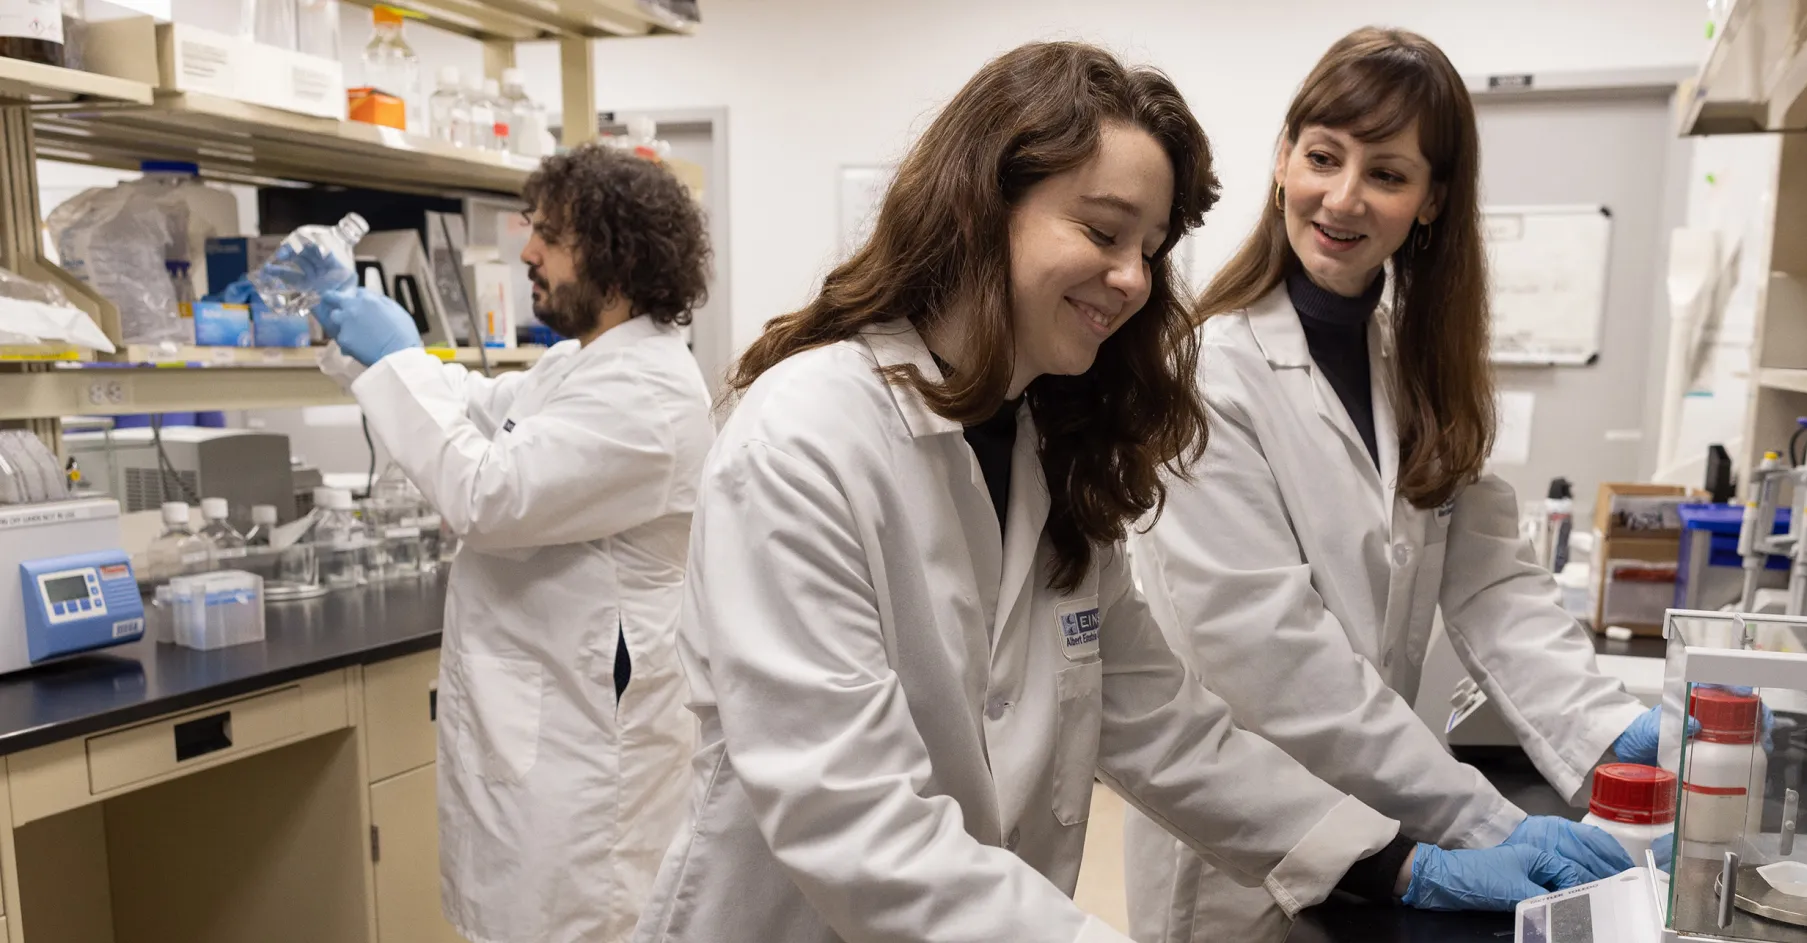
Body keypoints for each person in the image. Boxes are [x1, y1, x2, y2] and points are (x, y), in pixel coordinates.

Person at [633, 41, 1613, 943]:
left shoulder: (1044, 443)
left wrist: (1393, 860)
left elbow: (1166, 727)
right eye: (1104, 231)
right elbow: (854, 821)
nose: (1133, 278)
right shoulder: (806, 437)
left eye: (1150, 246)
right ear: (982, 202)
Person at [1123, 27, 1666, 942]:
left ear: (1431, 200)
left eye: (1387, 173)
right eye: (1322, 158)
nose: (1343, 198)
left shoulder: (1415, 367)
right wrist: (1483, 821)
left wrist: (1608, 732)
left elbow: (1492, 583)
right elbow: (1275, 661)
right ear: (1283, 161)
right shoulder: (1204, 375)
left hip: (1389, 817)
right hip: (1244, 844)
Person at [309, 146, 714, 943]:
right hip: (537, 724)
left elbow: (487, 494)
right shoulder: (578, 365)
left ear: (615, 253)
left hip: (585, 756)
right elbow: (472, 405)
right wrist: (354, 331)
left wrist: (395, 357)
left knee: (578, 922)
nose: (527, 251)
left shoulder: (650, 393)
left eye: (550, 235)